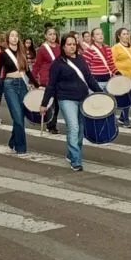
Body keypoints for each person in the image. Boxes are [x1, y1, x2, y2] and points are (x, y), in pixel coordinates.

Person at [40, 34, 103, 171]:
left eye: (74, 44)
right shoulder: (58, 63)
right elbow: (51, 84)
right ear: (63, 46)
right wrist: (44, 104)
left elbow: (89, 78)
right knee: (73, 127)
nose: (72, 46)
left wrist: (101, 93)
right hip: (66, 98)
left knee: (80, 129)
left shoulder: (81, 60)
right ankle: (76, 160)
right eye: (69, 44)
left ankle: (71, 153)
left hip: (82, 98)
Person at [0, 29, 38, 154]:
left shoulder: (22, 52)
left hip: (22, 84)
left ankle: (13, 141)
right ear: (8, 38)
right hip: (9, 85)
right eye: (12, 36)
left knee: (20, 116)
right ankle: (21, 148)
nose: (14, 38)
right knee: (18, 118)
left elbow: (28, 71)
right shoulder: (3, 54)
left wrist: (37, 84)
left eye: (16, 36)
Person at [31, 27, 61, 134]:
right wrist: (33, 80)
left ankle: (53, 122)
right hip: (47, 77)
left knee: (57, 103)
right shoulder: (42, 49)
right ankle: (51, 125)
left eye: (54, 34)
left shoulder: (59, 47)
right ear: (46, 36)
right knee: (50, 102)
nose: (52, 36)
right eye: (50, 34)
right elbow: (37, 65)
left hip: (59, 78)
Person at [112, 27, 131, 128]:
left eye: (127, 33)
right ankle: (126, 120)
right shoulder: (116, 48)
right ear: (119, 36)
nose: (126, 36)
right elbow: (112, 62)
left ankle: (121, 117)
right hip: (122, 77)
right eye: (124, 34)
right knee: (127, 98)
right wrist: (117, 73)